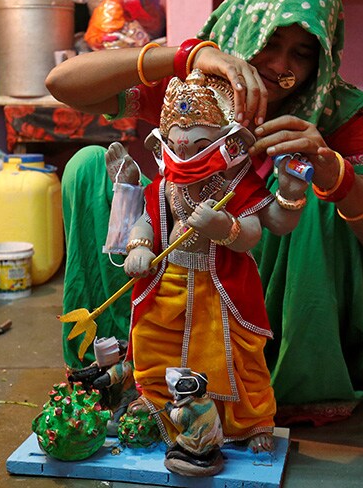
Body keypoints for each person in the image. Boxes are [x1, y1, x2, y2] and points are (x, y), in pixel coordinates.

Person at [47, 0, 363, 426]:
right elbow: (62, 84)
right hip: (177, 274)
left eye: (302, 53)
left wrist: (335, 176)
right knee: (88, 168)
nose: (281, 66)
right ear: (244, 28)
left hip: (263, 292)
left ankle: (276, 379)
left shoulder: (338, 111)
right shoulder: (196, 86)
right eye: (270, 41)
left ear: (321, 59)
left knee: (321, 193)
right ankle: (120, 364)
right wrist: (184, 56)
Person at [121, 69, 306, 457]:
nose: (184, 154)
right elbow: (148, 218)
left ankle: (251, 421)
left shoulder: (233, 181)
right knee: (154, 343)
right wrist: (139, 246)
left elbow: (256, 231)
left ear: (224, 142)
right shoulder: (166, 181)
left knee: (240, 357)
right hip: (169, 279)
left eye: (197, 145)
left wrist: (225, 227)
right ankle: (158, 407)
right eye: (177, 145)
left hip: (221, 287)